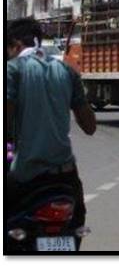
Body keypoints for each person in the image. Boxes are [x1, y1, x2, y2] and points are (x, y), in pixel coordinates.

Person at [5, 18, 96, 230]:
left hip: (26, 176)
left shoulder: (11, 71)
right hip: (65, 176)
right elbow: (90, 127)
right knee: (77, 222)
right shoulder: (67, 71)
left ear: (16, 45)